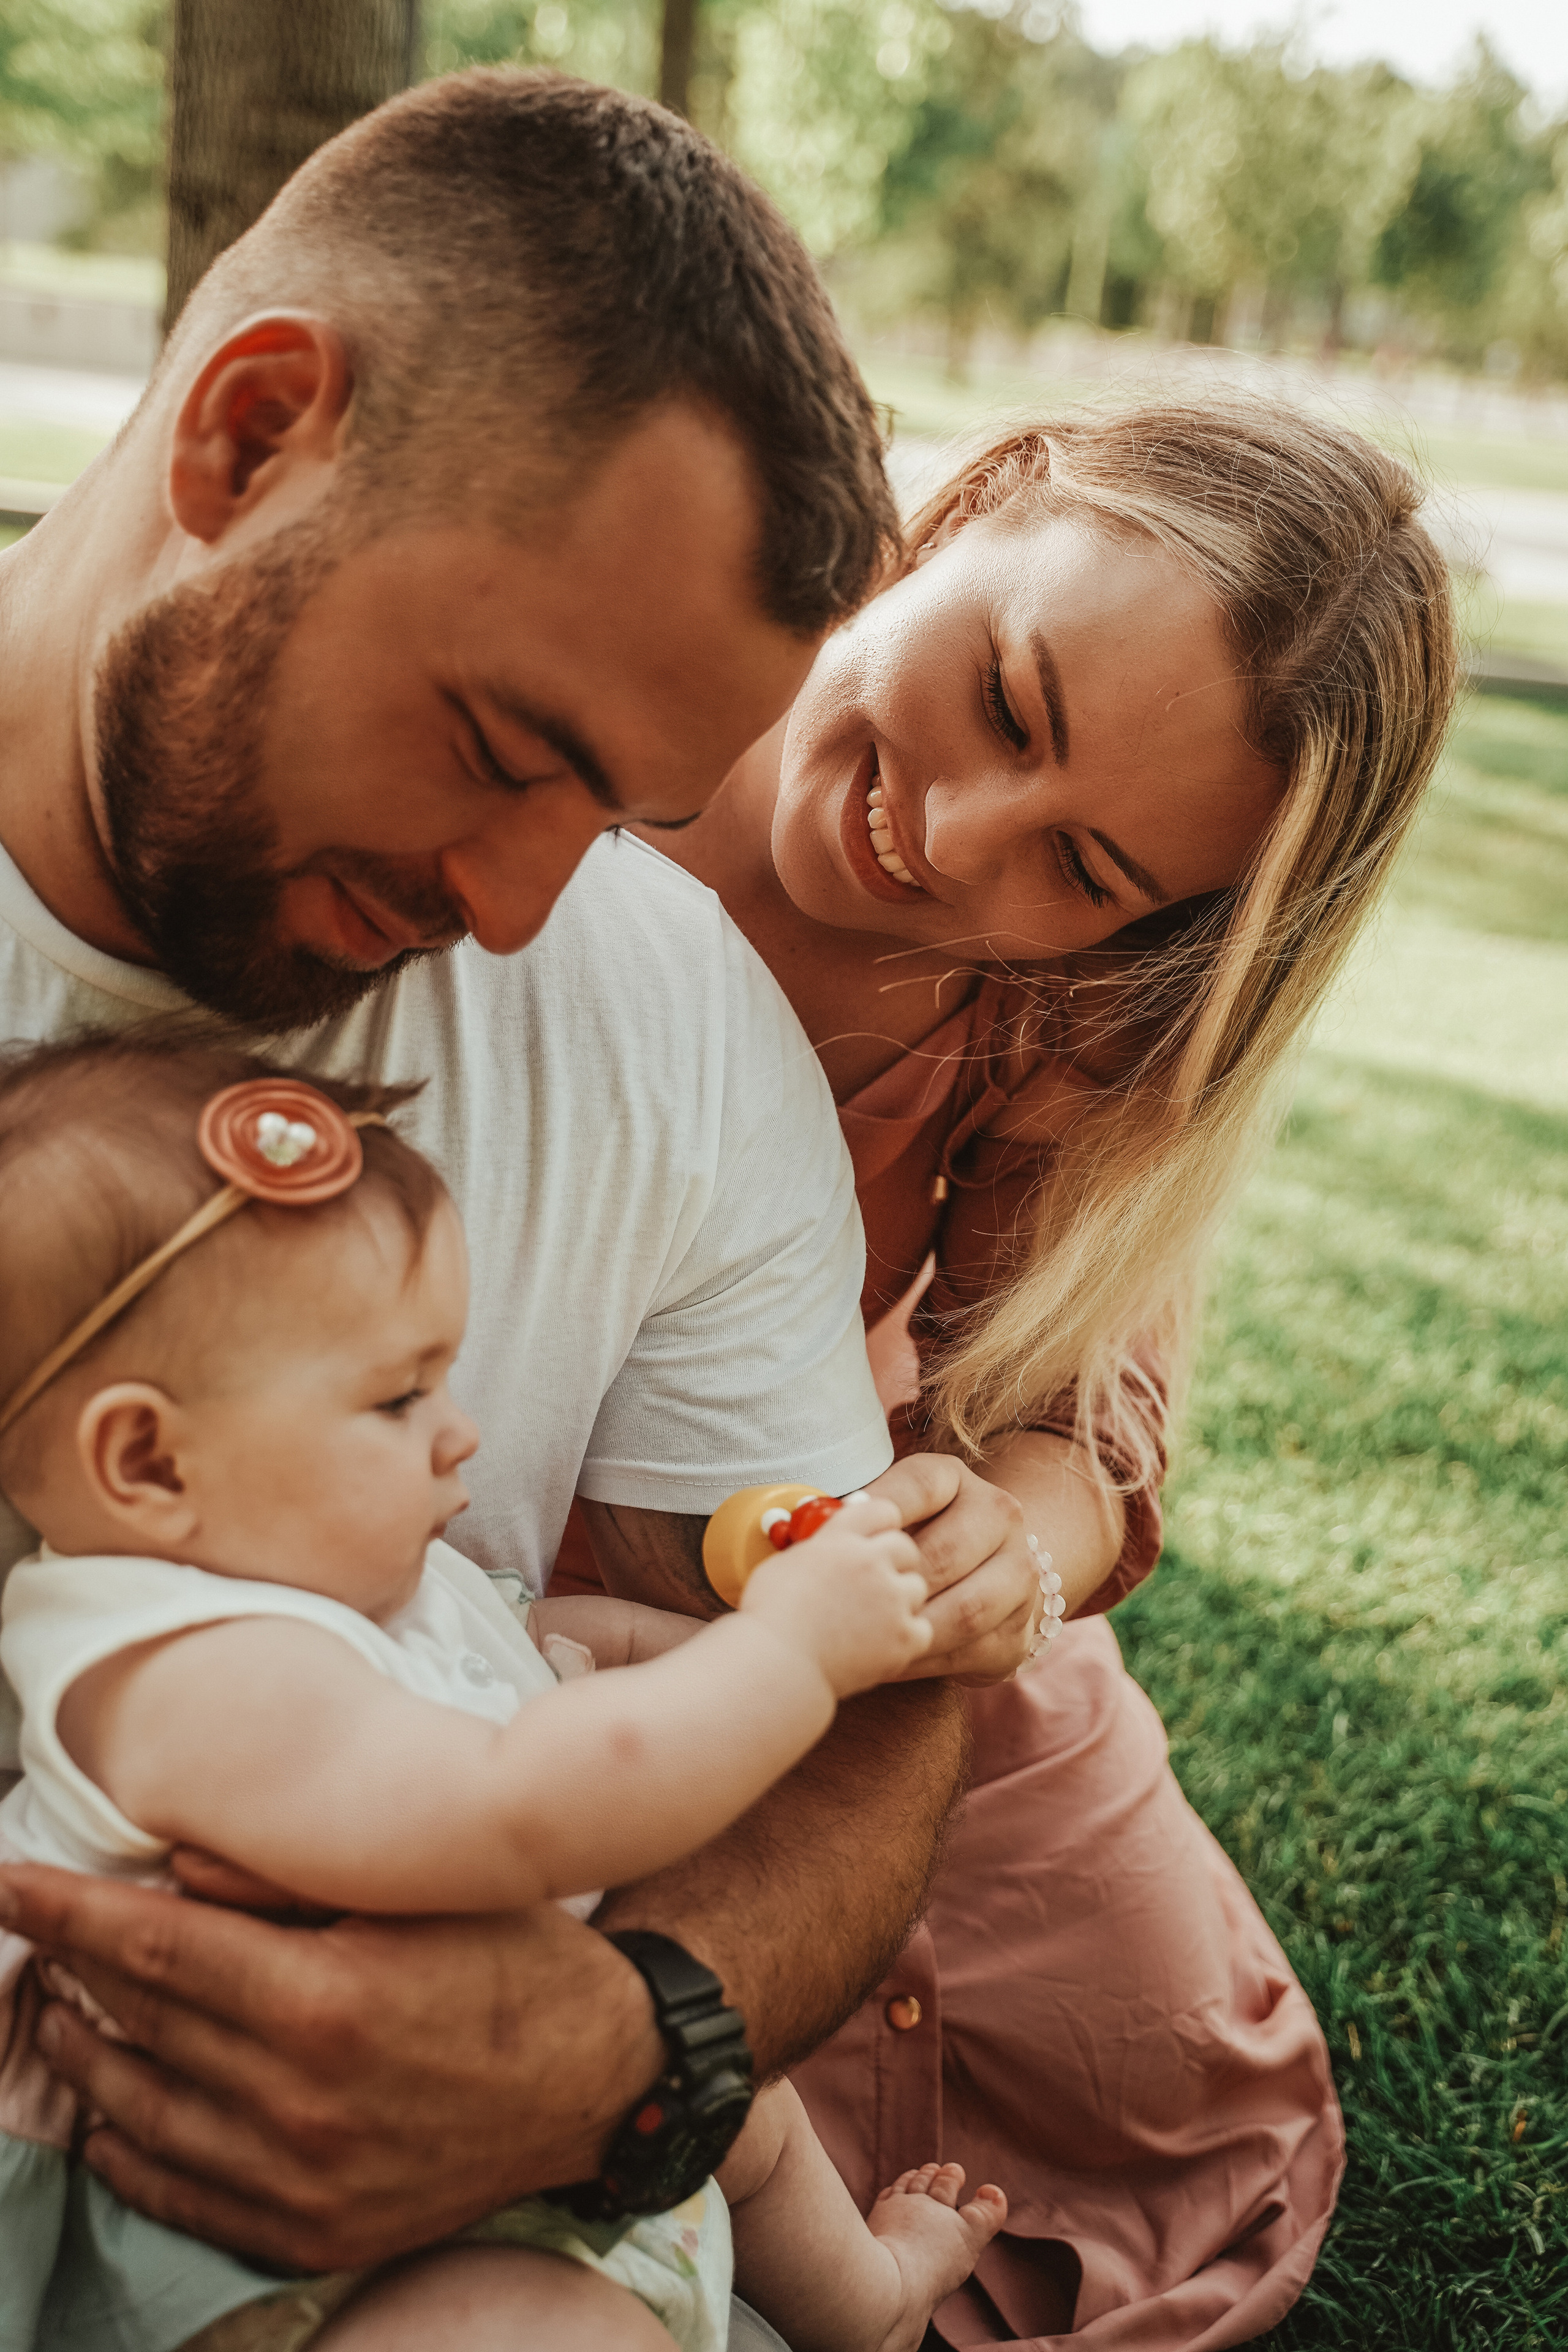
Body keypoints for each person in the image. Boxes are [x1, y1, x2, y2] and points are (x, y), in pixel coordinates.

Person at [0, 68, 1042, 2351]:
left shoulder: (664, 1019)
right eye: (503, 746)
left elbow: (856, 1694)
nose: (506, 908)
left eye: (628, 810)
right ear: (249, 436)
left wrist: (639, 2039)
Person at [564, 396, 1460, 2347]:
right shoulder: (620, 652)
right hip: (463, 1466)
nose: (951, 835)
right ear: (967, 505)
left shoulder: (1047, 1006)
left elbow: (1069, 1418)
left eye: (1084, 865)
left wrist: (1006, 1556)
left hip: (809, 1535)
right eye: (1008, 695)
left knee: (1147, 2080)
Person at [0, 1033, 1012, 2352]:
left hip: (509, 2129)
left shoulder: (369, 1586)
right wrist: (792, 1659)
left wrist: (745, 1633)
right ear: (148, 1461)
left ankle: (862, 2304)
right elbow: (516, 1804)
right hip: (279, 2250)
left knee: (734, 2093)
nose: (461, 1426)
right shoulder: (170, 1666)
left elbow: (548, 1662)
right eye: (398, 1395)